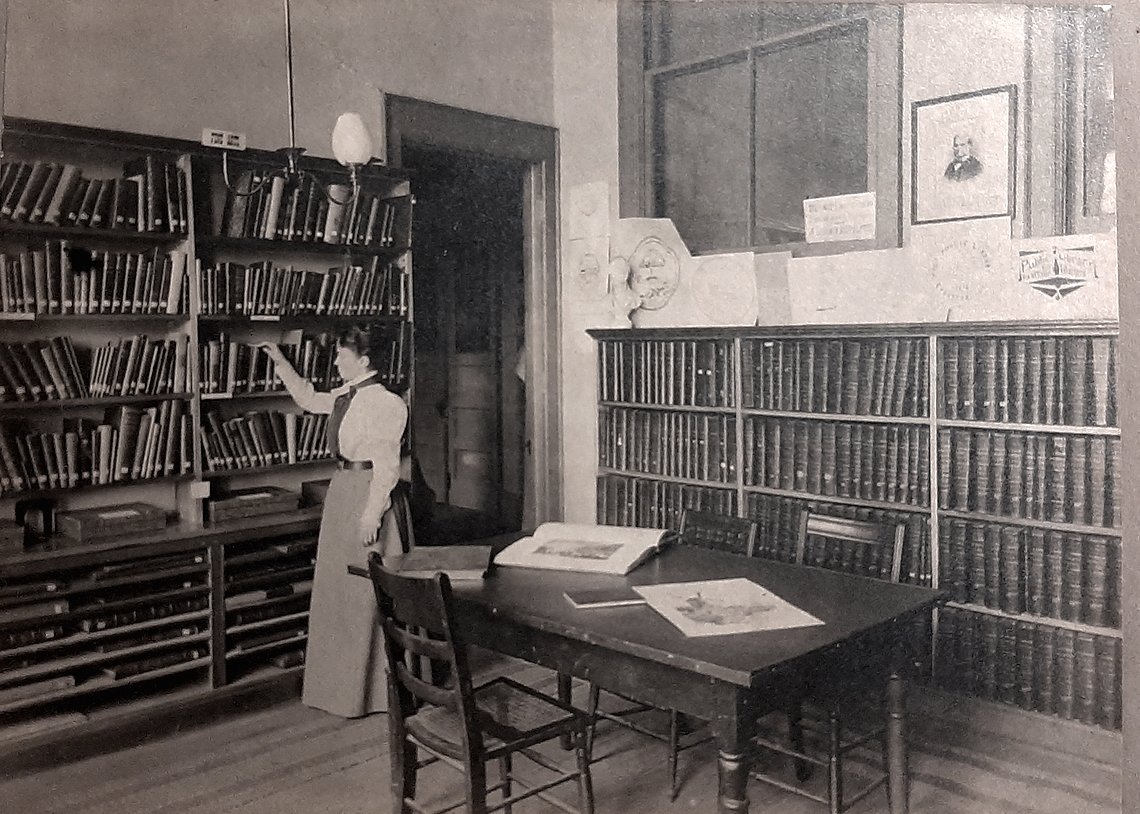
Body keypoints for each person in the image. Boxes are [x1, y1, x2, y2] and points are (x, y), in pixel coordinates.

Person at [258, 325, 407, 718]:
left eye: (342, 355)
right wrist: (281, 362)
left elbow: (387, 468)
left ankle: (370, 695)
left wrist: (372, 514)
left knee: (364, 595)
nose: (336, 362)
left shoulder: (387, 404)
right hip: (342, 492)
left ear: (364, 360)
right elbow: (310, 400)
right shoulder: (346, 396)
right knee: (338, 593)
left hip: (367, 495)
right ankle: (337, 691)